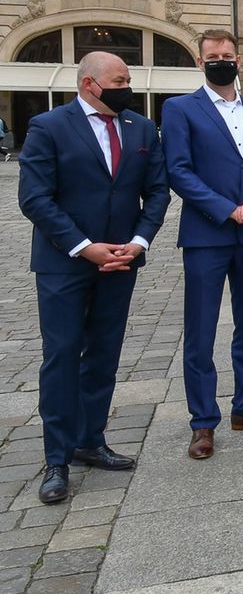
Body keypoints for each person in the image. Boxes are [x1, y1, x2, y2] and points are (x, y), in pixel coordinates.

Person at [18, 52, 169, 504]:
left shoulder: (140, 128)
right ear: (89, 84)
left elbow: (157, 189)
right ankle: (57, 458)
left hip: (121, 260)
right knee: (62, 355)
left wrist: (139, 242)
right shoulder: (49, 127)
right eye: (119, 80)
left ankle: (90, 439)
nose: (127, 87)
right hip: (65, 263)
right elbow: (36, 199)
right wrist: (85, 247)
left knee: (103, 353)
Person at [163, 29, 243, 459]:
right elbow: (179, 171)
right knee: (200, 331)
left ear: (239, 60)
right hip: (207, 235)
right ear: (201, 61)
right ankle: (202, 422)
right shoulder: (180, 109)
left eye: (228, 55)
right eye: (213, 55)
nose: (221, 60)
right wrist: (227, 209)